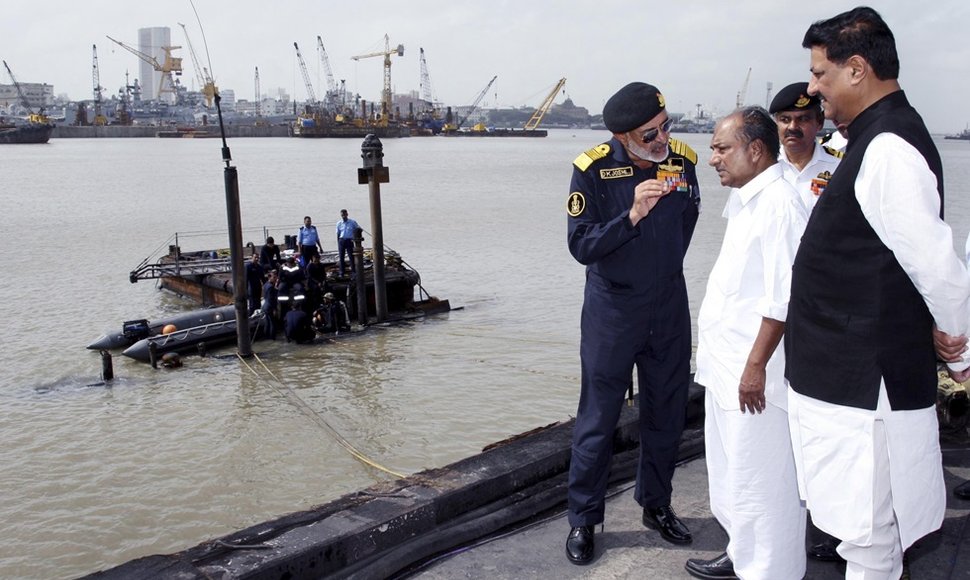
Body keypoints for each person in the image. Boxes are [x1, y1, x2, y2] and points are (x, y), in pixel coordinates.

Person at [785, 7, 970, 579]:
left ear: (858, 69)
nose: (814, 89)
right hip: (848, 382)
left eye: (820, 74)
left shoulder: (888, 148)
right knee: (871, 535)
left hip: (864, 388)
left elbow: (936, 265)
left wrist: (960, 350)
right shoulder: (873, 138)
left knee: (867, 537)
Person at [564, 81, 701, 565]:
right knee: (598, 419)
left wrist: (658, 272)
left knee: (667, 411)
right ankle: (584, 519)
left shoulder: (682, 164)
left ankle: (656, 504)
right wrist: (632, 215)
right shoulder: (594, 171)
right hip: (613, 312)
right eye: (650, 134)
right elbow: (581, 245)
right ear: (623, 136)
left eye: (666, 127)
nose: (662, 139)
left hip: (667, 305)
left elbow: (687, 224)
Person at [686, 107, 808, 580]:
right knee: (734, 475)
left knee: (765, 481)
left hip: (754, 374)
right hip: (726, 368)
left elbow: (784, 297)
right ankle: (742, 553)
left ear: (756, 150)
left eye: (721, 148)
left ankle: (769, 571)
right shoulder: (746, 198)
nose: (711, 157)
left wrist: (756, 365)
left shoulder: (779, 203)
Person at [769, 82, 842, 214]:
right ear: (776, 124)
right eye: (785, 120)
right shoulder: (765, 168)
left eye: (802, 119)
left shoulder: (840, 167)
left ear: (819, 122)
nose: (792, 127)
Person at [336, 209, 359, 277]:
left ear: (347, 214)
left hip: (349, 240)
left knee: (351, 257)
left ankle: (353, 272)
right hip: (342, 240)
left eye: (344, 215)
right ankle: (341, 272)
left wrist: (356, 236)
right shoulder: (339, 223)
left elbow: (358, 229)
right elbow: (338, 234)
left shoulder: (352, 222)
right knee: (341, 257)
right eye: (342, 215)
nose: (343, 216)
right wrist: (338, 242)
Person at [260, 270, 279, 339]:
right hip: (270, 306)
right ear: (270, 277)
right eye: (274, 277)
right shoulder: (271, 287)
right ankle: (272, 337)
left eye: (276, 277)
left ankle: (266, 335)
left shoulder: (265, 285)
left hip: (265, 305)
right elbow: (272, 299)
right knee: (273, 323)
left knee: (267, 322)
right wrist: (274, 309)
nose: (276, 279)